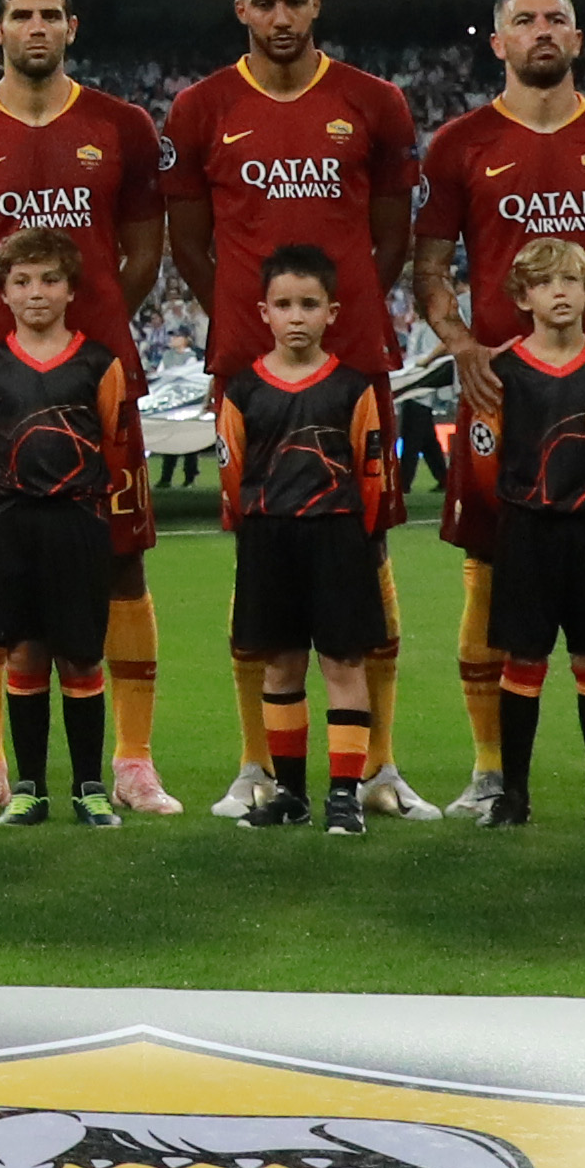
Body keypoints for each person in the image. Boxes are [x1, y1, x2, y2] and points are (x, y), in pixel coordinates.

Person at [0, 0, 170, 817]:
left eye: (51, 14)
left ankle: (132, 762)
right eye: (21, 15)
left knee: (122, 568)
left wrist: (83, 338)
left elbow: (144, 255)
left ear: (73, 26)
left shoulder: (121, 126)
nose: (37, 28)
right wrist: (3, 337)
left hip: (96, 386)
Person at [410, 0, 585, 823]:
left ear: (578, 35)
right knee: (488, 581)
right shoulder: (459, 143)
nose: (540, 32)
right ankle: (492, 772)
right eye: (523, 21)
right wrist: (460, 346)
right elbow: (427, 266)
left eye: (555, 18)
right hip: (504, 399)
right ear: (497, 43)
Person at [158, 0, 418, 808]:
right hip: (247, 367)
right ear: (241, 12)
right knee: (258, 559)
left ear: (317, 3)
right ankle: (257, 768)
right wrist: (242, 319)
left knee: (370, 550)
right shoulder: (201, 108)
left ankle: (376, 767)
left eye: (294, 1)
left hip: (355, 364)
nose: (280, 17)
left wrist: (345, 323)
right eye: (263, 3)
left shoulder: (373, 103)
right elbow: (189, 241)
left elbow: (389, 239)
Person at [443, 235, 585, 835]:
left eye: (571, 281)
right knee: (523, 660)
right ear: (524, 296)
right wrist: (526, 502)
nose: (559, 293)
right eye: (545, 283)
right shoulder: (501, 370)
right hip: (527, 532)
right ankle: (513, 796)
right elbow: (484, 459)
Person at [0, 232, 141, 827]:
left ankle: (89, 788)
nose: (36, 293)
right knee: (23, 654)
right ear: (2, 291)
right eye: (22, 281)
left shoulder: (99, 363)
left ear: (71, 290)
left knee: (81, 658)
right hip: (13, 523)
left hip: (78, 523)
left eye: (50, 280)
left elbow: (115, 439)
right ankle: (28, 788)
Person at [213, 245, 409, 834]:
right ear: (264, 313)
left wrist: (359, 530)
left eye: (309, 304)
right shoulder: (243, 389)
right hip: (270, 539)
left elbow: (372, 470)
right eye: (284, 305)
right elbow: (232, 468)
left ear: (332, 311)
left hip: (336, 537)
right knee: (280, 666)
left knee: (344, 664)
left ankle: (344, 796)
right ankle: (291, 793)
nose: (296, 316)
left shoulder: (353, 388)